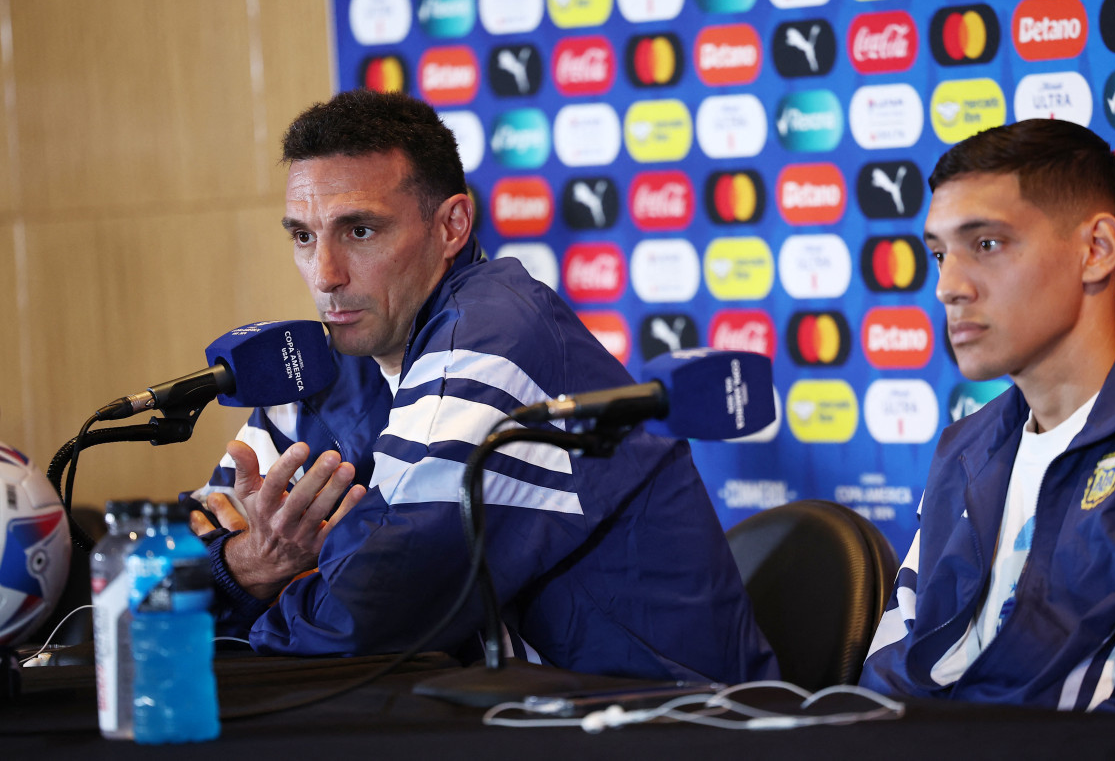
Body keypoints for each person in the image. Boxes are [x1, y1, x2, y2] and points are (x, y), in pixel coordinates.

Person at [189, 89, 776, 683]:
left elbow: (371, 605)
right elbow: (177, 571)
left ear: (452, 226)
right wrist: (246, 567)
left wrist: (238, 621)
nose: (325, 275)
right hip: (517, 712)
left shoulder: (493, 336)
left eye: (360, 231)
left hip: (667, 720)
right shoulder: (335, 365)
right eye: (303, 237)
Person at [858, 119, 1115, 719]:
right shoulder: (967, 447)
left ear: (1096, 250)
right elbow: (887, 682)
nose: (948, 286)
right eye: (938, 254)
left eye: (986, 245)